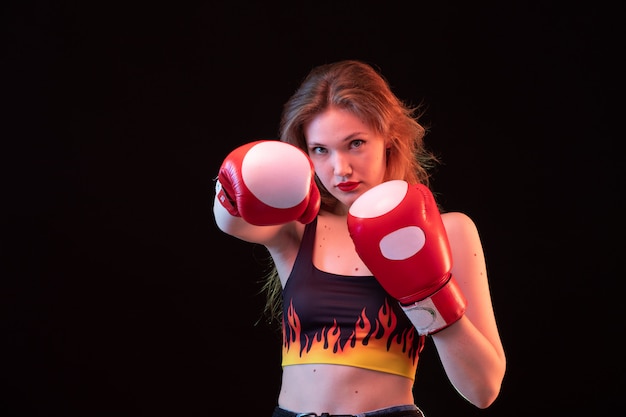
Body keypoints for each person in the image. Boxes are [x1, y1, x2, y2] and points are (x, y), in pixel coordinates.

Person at [212, 60, 506, 417]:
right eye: (320, 149)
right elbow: (232, 217)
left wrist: (431, 297)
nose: (340, 168)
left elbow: (484, 389)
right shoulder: (297, 229)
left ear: (389, 141)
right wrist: (246, 174)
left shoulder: (450, 231)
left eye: (355, 143)